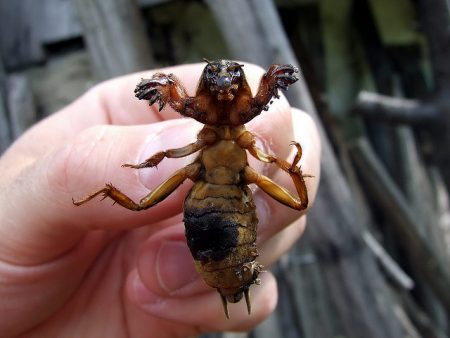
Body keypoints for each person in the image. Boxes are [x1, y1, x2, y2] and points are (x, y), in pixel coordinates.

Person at [0, 62, 320, 337]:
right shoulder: (227, 134)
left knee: (294, 203)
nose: (223, 86)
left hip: (224, 218)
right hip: (222, 209)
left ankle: (109, 191)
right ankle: (107, 189)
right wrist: (287, 167)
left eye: (231, 79)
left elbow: (172, 154)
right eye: (216, 78)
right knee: (144, 201)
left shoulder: (239, 135)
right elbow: (170, 152)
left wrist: (286, 165)